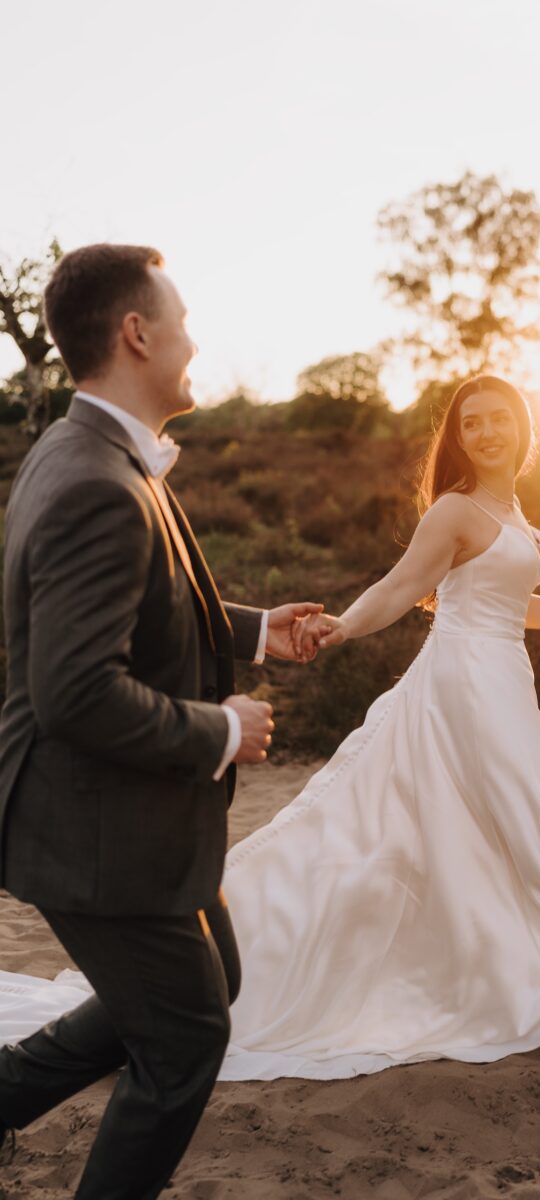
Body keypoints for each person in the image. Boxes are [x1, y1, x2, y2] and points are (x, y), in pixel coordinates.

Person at [215, 373, 540, 1081]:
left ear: (523, 428)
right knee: (500, 817)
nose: (485, 433)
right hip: (463, 684)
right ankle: (525, 977)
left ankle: (522, 969)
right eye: (470, 423)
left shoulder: (512, 512)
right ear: (457, 437)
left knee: (511, 822)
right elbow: (399, 585)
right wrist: (341, 627)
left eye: (498, 420)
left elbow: (517, 605)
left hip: (506, 681)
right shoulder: (453, 511)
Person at [0, 244, 323, 1197]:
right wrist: (219, 729)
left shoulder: (90, 451)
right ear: (137, 333)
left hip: (117, 810)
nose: (193, 339)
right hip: (90, 823)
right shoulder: (98, 481)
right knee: (187, 1037)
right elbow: (77, 693)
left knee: (207, 976)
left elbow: (150, 605)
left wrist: (262, 631)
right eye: (179, 320)